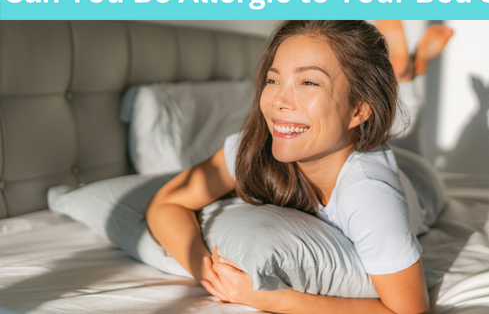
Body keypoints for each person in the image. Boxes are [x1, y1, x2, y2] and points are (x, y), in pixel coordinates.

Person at [146, 20, 434, 314]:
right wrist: (207, 273)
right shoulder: (253, 148)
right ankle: (405, 73)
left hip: (419, 187)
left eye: (308, 82)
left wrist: (269, 298)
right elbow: (166, 203)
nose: (278, 101)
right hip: (354, 144)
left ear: (358, 109)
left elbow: (409, 311)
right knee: (397, 140)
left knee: (410, 149)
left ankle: (407, 81)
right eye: (273, 80)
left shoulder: (371, 195)